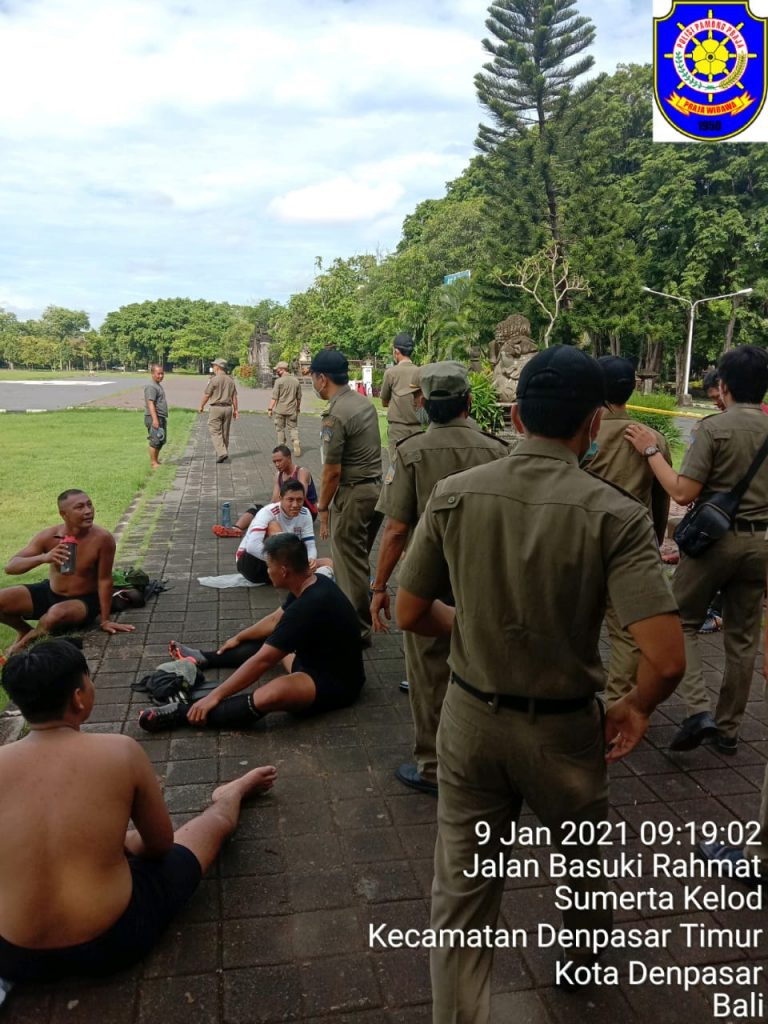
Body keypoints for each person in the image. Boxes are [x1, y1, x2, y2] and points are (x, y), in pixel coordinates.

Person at [396, 346, 684, 1021]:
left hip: (469, 718)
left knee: (462, 895)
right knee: (581, 860)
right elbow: (667, 658)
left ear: (517, 416)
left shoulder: (455, 493)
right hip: (565, 727)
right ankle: (582, 961)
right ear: (593, 424)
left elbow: (410, 612)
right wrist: (637, 705)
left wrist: (473, 626)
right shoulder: (614, 514)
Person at [0, 638, 277, 982]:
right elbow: (160, 845)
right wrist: (123, 842)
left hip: (13, 956)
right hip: (113, 940)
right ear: (78, 697)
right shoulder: (120, 752)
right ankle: (230, 795)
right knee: (211, 825)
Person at [371, 361, 508, 795]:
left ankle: (433, 765)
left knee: (430, 674)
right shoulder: (498, 450)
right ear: (468, 401)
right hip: (484, 575)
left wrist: (380, 586)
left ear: (423, 404)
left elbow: (396, 530)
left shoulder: (410, 452)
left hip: (427, 578)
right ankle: (483, 755)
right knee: (483, 665)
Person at [626, 344, 768, 755]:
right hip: (760, 543)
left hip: (715, 544)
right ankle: (728, 730)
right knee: (743, 638)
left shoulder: (714, 429)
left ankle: (698, 710)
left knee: (681, 620)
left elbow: (682, 492)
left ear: (724, 385)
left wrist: (651, 451)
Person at [139, 534, 364, 732]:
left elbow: (262, 661)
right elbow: (275, 620)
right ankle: (204, 657)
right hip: (314, 659)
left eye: (269, 566)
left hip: (335, 682)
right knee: (273, 636)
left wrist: (215, 695)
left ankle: (182, 713)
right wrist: (239, 637)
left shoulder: (307, 606)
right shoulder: (313, 581)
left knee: (271, 694)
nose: (267, 571)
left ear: (283, 571)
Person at [585, 355, 671, 706]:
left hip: (585, 541)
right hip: (633, 545)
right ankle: (618, 705)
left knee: (576, 621)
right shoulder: (653, 438)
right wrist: (657, 539)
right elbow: (661, 498)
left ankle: (574, 698)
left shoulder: (583, 435)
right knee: (625, 633)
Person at [0, 490, 135, 654]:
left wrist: (105, 620)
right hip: (50, 591)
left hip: (83, 600)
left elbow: (104, 580)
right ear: (63, 514)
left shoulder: (102, 539)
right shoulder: (49, 536)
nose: (88, 511)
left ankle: (24, 643)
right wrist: (44, 558)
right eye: (80, 507)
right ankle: (24, 630)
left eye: (89, 505)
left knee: (55, 615)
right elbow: (11, 567)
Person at [311, 349, 383, 643]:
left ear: (322, 378)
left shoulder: (336, 414)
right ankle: (352, 620)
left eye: (313, 378)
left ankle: (356, 631)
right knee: (357, 561)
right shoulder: (362, 402)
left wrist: (323, 507)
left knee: (348, 565)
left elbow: (331, 472)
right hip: (375, 491)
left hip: (353, 496)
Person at [212, 446, 318, 539]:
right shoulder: (278, 475)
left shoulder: (302, 472)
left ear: (289, 458)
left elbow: (301, 498)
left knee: (272, 520)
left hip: (304, 511)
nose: (277, 464)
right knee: (257, 508)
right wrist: (265, 512)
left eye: (279, 460)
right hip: (287, 509)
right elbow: (275, 499)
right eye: (274, 462)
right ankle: (235, 529)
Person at [235, 479, 327, 585]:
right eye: (290, 500)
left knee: (328, 562)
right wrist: (287, 564)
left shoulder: (305, 513)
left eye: (299, 500)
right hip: (250, 564)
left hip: (278, 566)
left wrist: (311, 559)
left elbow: (310, 544)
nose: (295, 504)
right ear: (280, 498)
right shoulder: (268, 512)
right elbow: (252, 547)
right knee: (273, 525)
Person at [380, 332, 421, 460]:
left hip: (397, 429)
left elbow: (384, 402)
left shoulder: (391, 373)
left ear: (396, 351)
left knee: (396, 465)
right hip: (417, 429)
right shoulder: (420, 372)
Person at [198, 358, 238, 463]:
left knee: (214, 430)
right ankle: (224, 451)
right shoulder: (231, 380)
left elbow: (207, 394)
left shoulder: (214, 380)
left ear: (218, 367)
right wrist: (236, 410)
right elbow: (234, 396)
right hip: (228, 408)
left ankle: (222, 452)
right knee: (225, 432)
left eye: (214, 365)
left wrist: (201, 406)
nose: (213, 367)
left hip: (216, 408)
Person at [267, 361, 302, 457]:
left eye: (277, 370)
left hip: (280, 410)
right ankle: (295, 441)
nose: (276, 371)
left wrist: (270, 409)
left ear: (282, 370)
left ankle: (282, 447)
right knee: (293, 428)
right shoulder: (296, 381)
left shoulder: (279, 381)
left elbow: (274, 397)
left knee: (280, 429)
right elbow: (299, 398)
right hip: (292, 409)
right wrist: (298, 408)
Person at [144, 363, 167, 470]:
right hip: (153, 417)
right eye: (158, 374)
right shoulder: (151, 386)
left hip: (160, 416)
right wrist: (155, 419)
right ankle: (153, 463)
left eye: (162, 373)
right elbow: (150, 403)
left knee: (161, 440)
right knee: (155, 440)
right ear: (152, 373)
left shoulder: (157, 385)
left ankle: (156, 460)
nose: (161, 376)